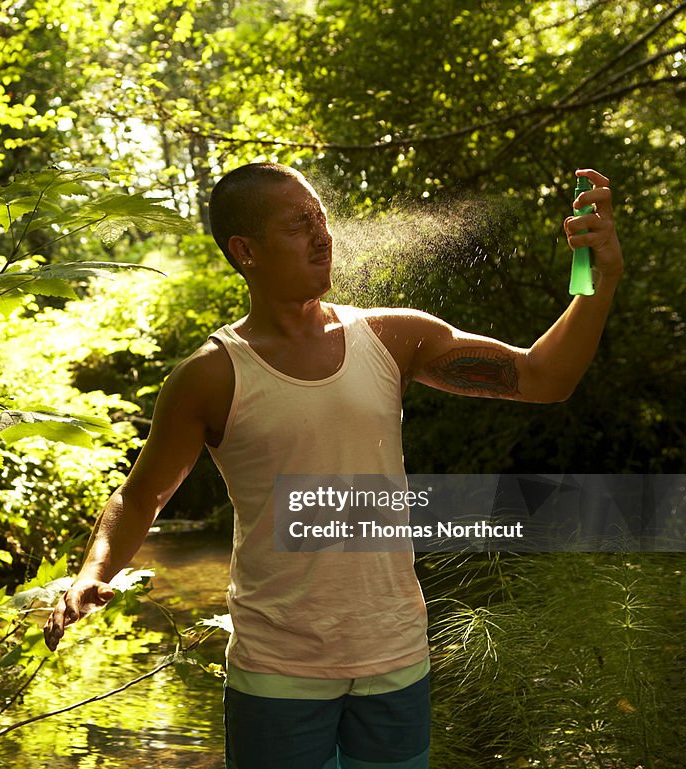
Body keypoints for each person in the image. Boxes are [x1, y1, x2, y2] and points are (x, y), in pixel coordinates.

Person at [43, 163, 623, 769]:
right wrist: (93, 569)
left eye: (321, 219)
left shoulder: (394, 337)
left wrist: (600, 282)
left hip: (395, 655)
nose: (322, 236)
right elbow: (141, 497)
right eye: (299, 225)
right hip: (277, 668)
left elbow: (542, 378)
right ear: (246, 251)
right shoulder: (210, 376)